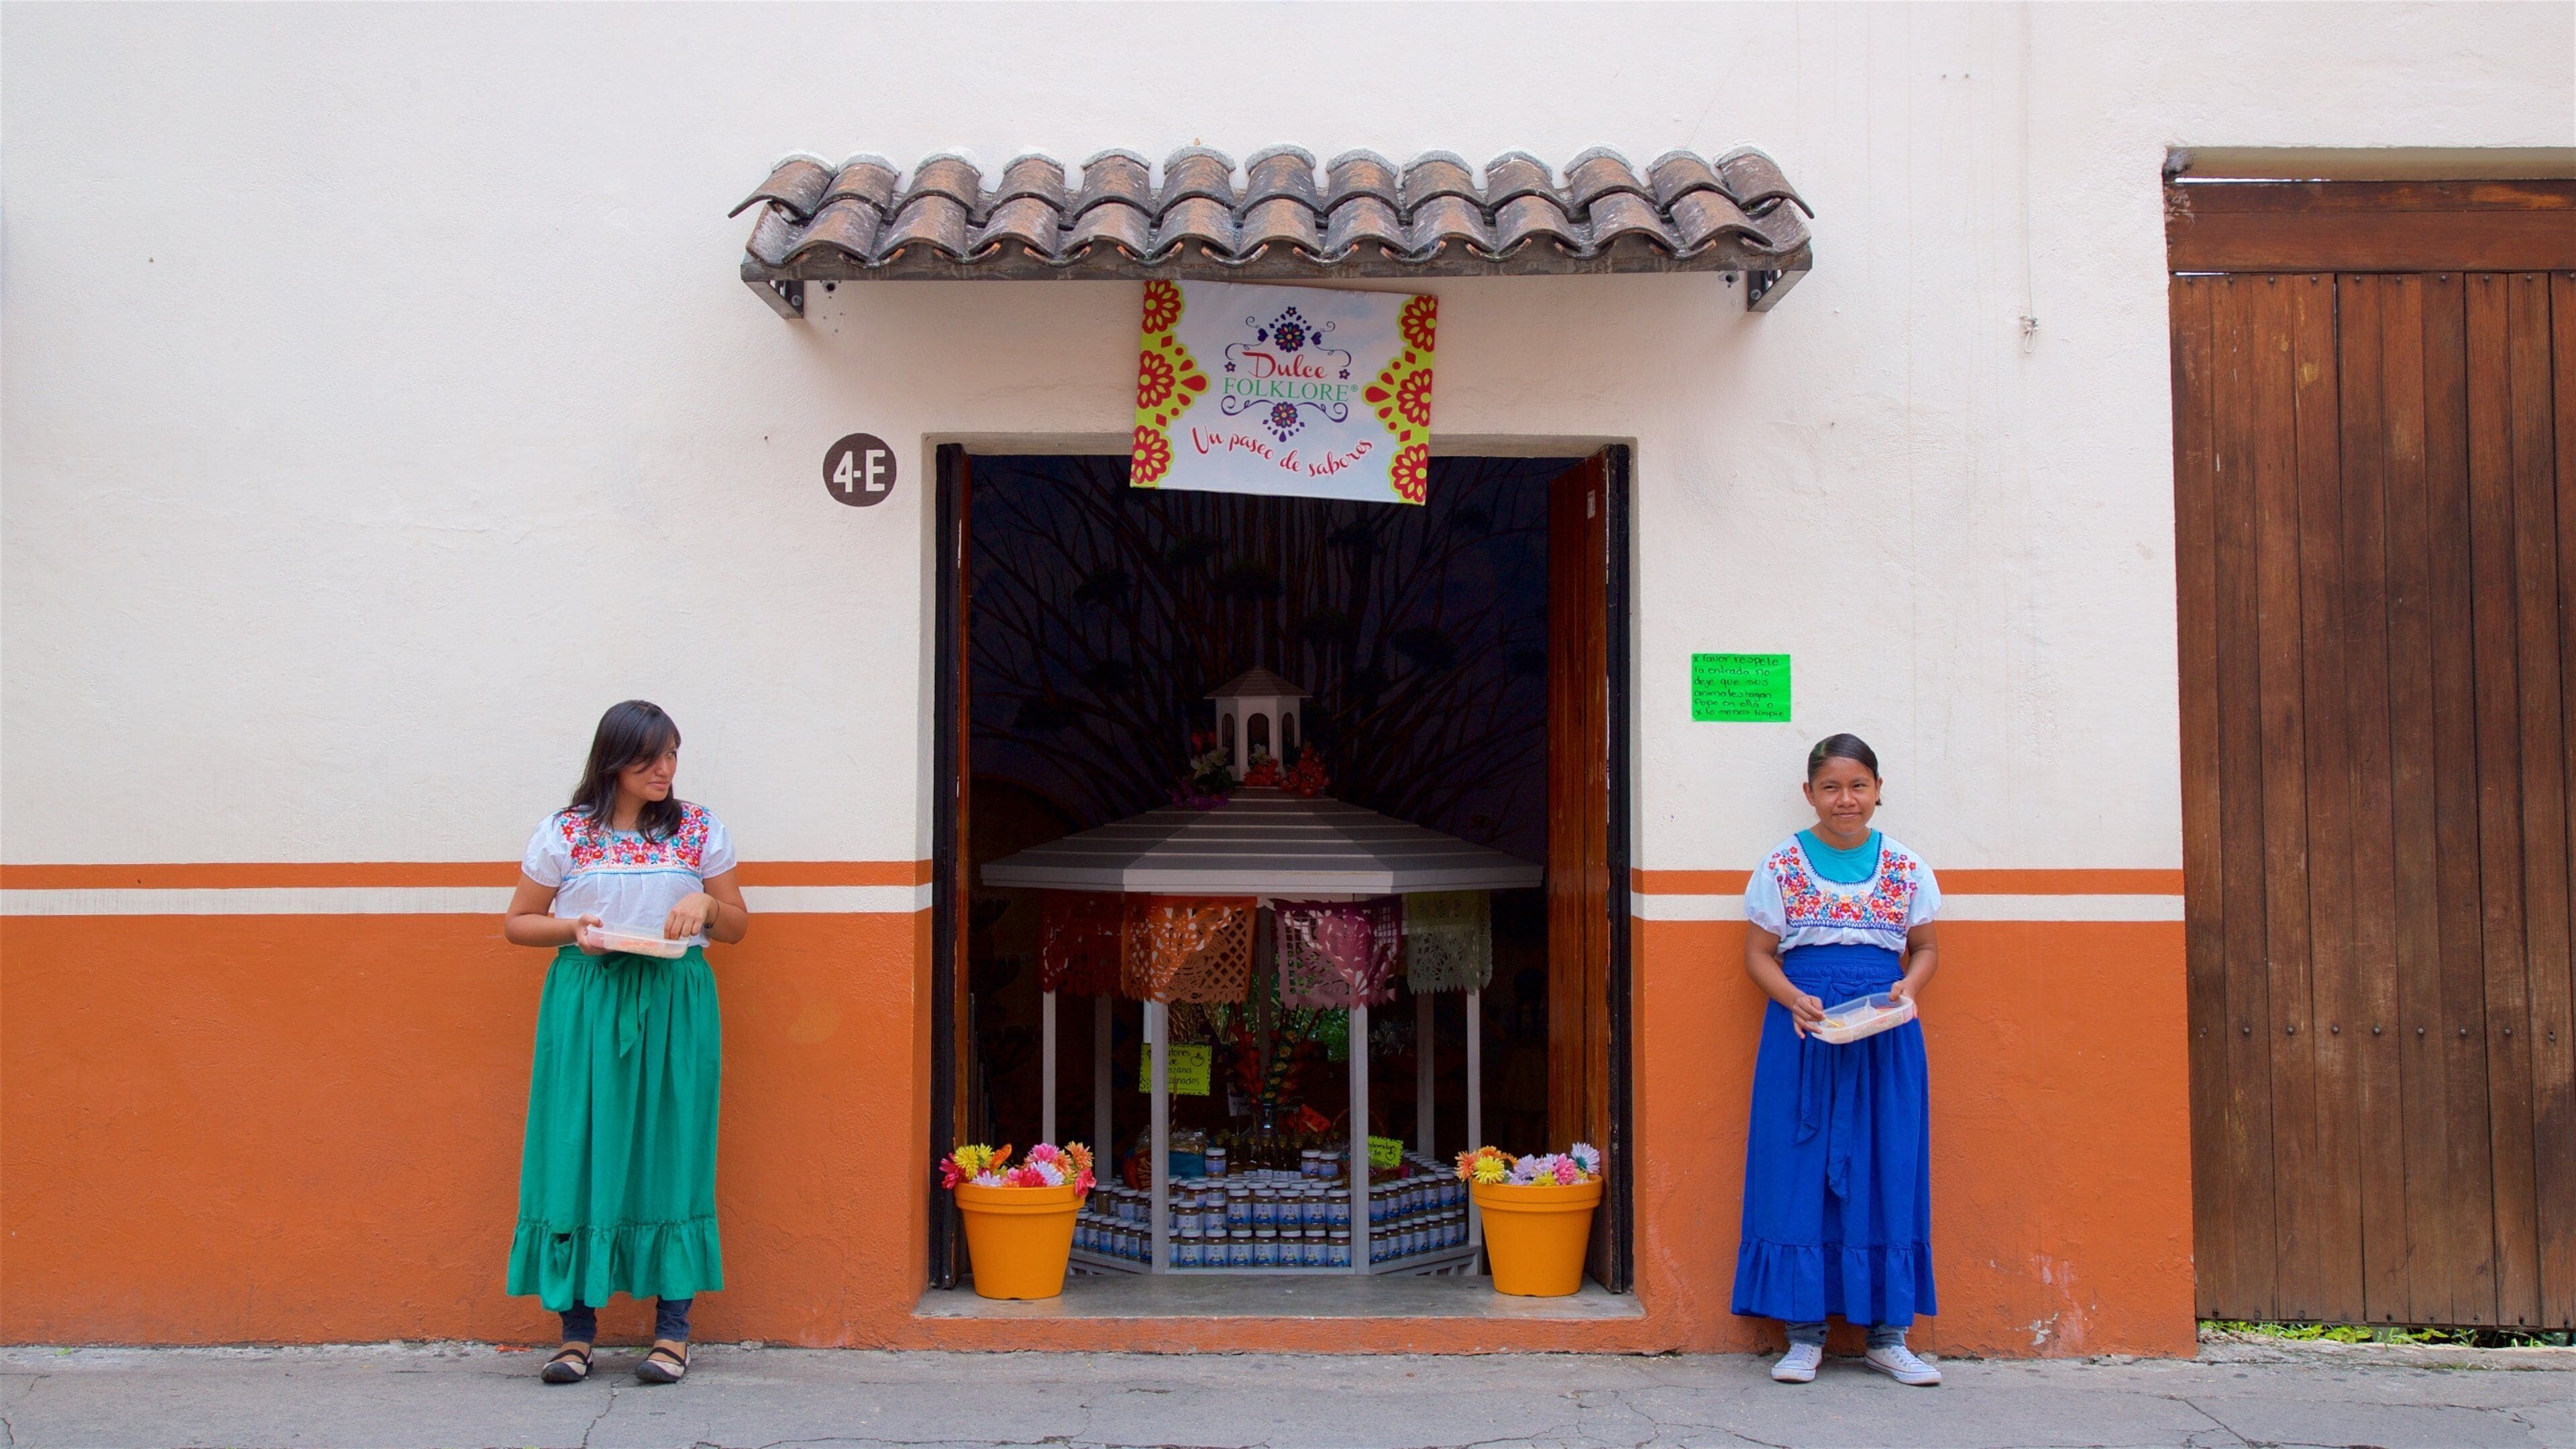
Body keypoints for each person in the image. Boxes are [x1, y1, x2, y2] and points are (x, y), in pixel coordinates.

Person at [502, 700, 747, 1385]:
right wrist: (571, 929)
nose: (665, 769)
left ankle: (673, 1332)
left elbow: (737, 926)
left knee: (674, 1151)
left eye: (672, 755)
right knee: (576, 1150)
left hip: (674, 1001)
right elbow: (518, 922)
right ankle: (575, 1335)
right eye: (650, 758)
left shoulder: (699, 829)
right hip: (587, 1000)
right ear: (613, 761)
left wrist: (708, 905)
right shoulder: (566, 832)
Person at [1733, 734, 1942, 1387]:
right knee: (1798, 1173)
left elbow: (1926, 948)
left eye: (1857, 786)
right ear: (1809, 793)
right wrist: (1793, 998)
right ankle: (1803, 1336)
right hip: (1804, 1034)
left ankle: (1889, 1336)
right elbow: (1758, 954)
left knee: (1888, 1168)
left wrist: (1909, 988)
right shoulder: (1781, 865)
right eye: (1830, 787)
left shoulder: (1907, 867)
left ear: (1878, 791)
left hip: (1885, 1036)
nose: (1844, 799)